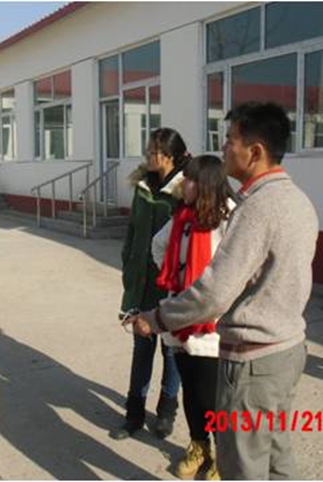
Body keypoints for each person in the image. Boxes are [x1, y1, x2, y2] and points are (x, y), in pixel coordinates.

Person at [126, 102, 319, 480]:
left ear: (255, 152)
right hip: (288, 348)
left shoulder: (256, 208)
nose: (224, 147)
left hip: (254, 360)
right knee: (276, 456)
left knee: (242, 464)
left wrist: (157, 317)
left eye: (230, 140)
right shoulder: (299, 200)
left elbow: (214, 293)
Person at [151, 155, 233, 480]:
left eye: (188, 179)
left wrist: (213, 295)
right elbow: (157, 246)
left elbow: (240, 268)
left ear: (205, 183)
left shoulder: (228, 217)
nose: (182, 184)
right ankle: (199, 446)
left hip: (212, 325)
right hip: (181, 316)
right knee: (190, 391)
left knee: (211, 395)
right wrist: (176, 278)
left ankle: (224, 457)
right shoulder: (182, 216)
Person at [113, 127, 190, 440]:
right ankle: (134, 413)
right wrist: (128, 263)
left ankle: (167, 411)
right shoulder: (143, 185)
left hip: (169, 284)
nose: (148, 156)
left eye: (153, 152)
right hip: (141, 284)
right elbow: (132, 230)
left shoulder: (185, 190)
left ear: (169, 156)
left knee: (171, 352)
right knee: (141, 348)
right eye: (148, 151)